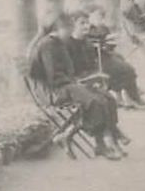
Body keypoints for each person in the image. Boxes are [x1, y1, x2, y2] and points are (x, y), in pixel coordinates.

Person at [30, 13, 128, 160]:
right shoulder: (48, 45)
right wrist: (79, 83)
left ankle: (109, 135)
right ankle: (100, 144)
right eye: (69, 29)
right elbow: (54, 77)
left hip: (65, 86)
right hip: (53, 91)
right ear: (60, 29)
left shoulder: (58, 43)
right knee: (94, 101)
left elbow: (67, 72)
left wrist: (83, 81)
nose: (71, 33)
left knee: (106, 98)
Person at [75, 7, 145, 110]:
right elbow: (94, 39)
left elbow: (100, 38)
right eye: (83, 22)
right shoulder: (87, 31)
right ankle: (134, 97)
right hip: (95, 61)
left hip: (100, 56)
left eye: (87, 22)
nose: (87, 25)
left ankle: (129, 95)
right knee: (126, 69)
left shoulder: (93, 28)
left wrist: (106, 42)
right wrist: (102, 39)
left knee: (120, 61)